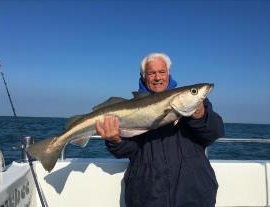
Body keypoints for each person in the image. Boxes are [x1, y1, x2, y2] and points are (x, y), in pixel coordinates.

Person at [96, 53, 224, 207]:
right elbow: (127, 151)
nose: (158, 77)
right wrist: (115, 140)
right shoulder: (131, 107)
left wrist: (201, 115)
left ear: (168, 74)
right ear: (144, 77)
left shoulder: (199, 105)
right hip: (147, 196)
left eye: (162, 72)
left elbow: (214, 133)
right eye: (152, 73)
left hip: (194, 193)